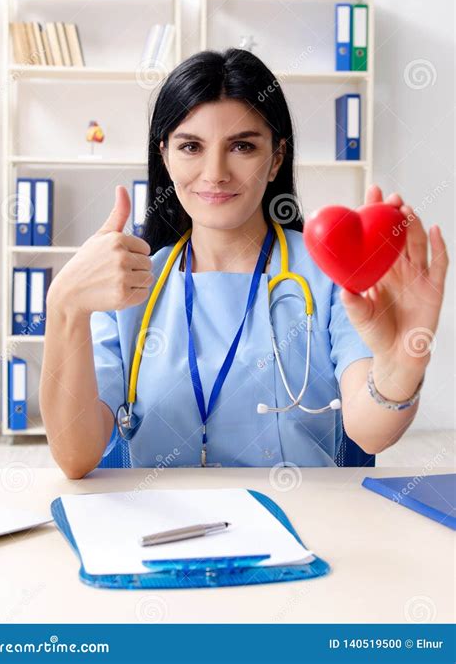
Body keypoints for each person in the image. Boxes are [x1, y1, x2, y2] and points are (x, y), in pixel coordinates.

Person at [40, 48, 449, 478]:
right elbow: (75, 455)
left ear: (276, 158)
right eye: (191, 146)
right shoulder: (126, 283)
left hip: (307, 522)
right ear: (164, 156)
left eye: (242, 146)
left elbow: (368, 432)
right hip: (163, 531)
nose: (215, 172)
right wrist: (65, 305)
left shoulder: (328, 275)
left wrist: (399, 366)